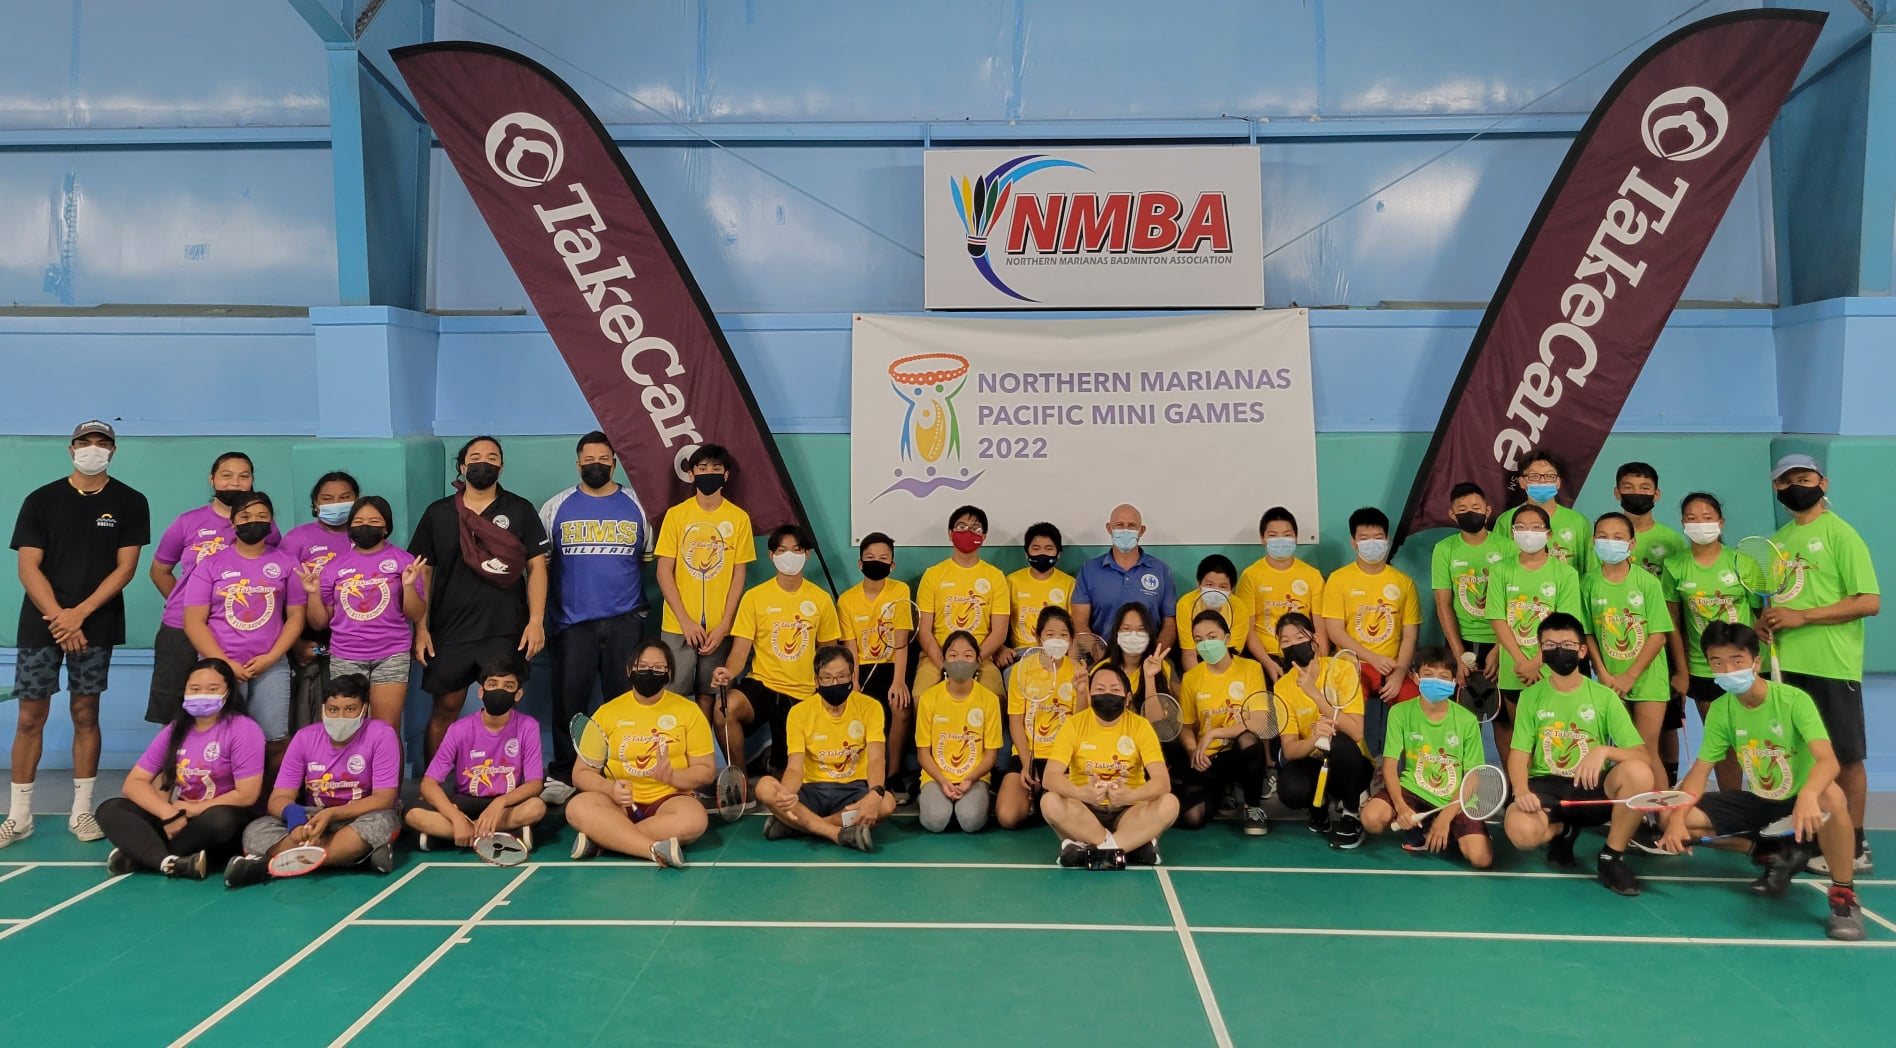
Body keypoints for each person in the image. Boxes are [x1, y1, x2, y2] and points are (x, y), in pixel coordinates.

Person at [1659, 622, 1863, 940]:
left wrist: (1809, 793)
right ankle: (1770, 849)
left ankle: (1843, 896)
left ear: (1756, 662)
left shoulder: (1793, 700)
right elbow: (1699, 773)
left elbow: (1828, 760)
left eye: (1736, 660)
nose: (1727, 670)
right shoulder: (1721, 710)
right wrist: (1675, 820)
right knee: (1673, 816)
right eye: (1717, 662)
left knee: (1832, 797)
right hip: (1760, 800)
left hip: (1801, 801)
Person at [5, 420, 149, 848]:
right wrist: (59, 617)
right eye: (84, 442)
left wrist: (80, 614)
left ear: (113, 451)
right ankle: (19, 817)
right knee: (30, 717)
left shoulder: (130, 501)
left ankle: (82, 810)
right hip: (41, 624)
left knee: (86, 713)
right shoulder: (41, 500)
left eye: (102, 443)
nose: (93, 449)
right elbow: (28, 566)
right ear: (71, 450)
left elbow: (125, 568)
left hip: (96, 623)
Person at [1760, 454, 1880, 875]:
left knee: (1845, 756)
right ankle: (1812, 836)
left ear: (1822, 482)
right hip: (1787, 664)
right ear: (1777, 489)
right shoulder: (1782, 538)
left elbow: (1869, 601)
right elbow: (1786, 597)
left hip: (1831, 665)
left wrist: (1803, 617)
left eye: (1804, 477)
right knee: (1804, 755)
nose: (1796, 485)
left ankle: (1856, 844)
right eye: (1786, 480)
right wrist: (1769, 620)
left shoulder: (1842, 534)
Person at [408, 436, 551, 761]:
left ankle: (501, 783)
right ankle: (435, 787)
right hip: (450, 628)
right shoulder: (439, 513)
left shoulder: (520, 509)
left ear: (501, 466)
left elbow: (536, 567)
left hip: (504, 626)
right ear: (462, 466)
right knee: (445, 707)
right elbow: (424, 573)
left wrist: (536, 621)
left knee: (502, 706)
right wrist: (422, 628)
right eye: (475, 456)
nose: (483, 462)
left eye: (492, 456)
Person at [1502, 613, 1655, 896]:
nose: (1558, 650)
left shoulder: (1604, 697)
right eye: (1549, 645)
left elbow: (1643, 757)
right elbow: (1519, 753)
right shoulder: (1530, 697)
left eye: (1567, 644)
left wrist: (1604, 750)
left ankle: (1611, 857)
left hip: (1590, 788)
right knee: (1520, 832)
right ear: (1541, 651)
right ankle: (1562, 830)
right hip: (1545, 789)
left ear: (1582, 651)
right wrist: (1521, 790)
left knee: (1639, 773)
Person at [538, 431, 651, 804]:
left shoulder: (639, 506)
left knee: (625, 703)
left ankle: (621, 771)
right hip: (572, 624)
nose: (595, 465)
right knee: (570, 703)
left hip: (625, 622)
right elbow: (541, 567)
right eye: (588, 459)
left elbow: (648, 562)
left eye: (603, 459)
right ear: (577, 463)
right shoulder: (556, 507)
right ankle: (565, 773)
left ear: (614, 462)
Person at [225, 673, 402, 886]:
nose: (340, 717)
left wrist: (333, 814)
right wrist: (295, 819)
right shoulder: (305, 737)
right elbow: (279, 797)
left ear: (364, 710)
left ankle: (271, 865)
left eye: (350, 709)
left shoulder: (382, 734)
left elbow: (384, 799)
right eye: (333, 710)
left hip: (359, 814)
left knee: (382, 823)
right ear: (323, 710)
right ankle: (352, 857)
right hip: (312, 818)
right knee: (255, 831)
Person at [96, 658, 261, 878]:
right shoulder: (176, 729)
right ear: (184, 691)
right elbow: (134, 783)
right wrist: (168, 813)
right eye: (195, 688)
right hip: (177, 817)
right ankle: (171, 862)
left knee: (222, 820)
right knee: (110, 809)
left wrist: (192, 810)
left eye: (213, 689)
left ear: (228, 692)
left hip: (217, 818)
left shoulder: (244, 729)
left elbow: (246, 795)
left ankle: (142, 855)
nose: (202, 693)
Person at [147, 451, 280, 725]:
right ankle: (172, 767)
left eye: (243, 476)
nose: (235, 483)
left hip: (236, 630)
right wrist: (188, 606)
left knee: (227, 713)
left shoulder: (265, 527)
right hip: (181, 629)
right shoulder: (187, 522)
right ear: (212, 479)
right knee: (177, 709)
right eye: (226, 475)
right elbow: (159, 570)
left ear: (252, 480)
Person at [180, 492, 306, 760]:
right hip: (220, 664)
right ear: (233, 522)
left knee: (274, 740)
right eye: (245, 516)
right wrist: (223, 662)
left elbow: (296, 617)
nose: (254, 522)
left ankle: (268, 801)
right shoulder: (210, 564)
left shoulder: (287, 563)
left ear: (271, 522)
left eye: (262, 516)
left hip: (271, 665)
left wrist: (271, 658)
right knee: (220, 740)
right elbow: (193, 622)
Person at [567, 642, 712, 867]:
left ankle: (604, 838)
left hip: (670, 800)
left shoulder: (689, 711)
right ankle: (651, 850)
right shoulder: (606, 713)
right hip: (617, 804)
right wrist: (610, 789)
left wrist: (674, 777)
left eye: (657, 668)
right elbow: (581, 773)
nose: (649, 672)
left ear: (669, 673)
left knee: (695, 820)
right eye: (642, 666)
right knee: (577, 807)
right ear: (629, 671)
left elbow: (706, 771)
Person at [714, 524, 843, 775]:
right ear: (772, 556)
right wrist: (727, 673)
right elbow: (740, 653)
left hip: (804, 693)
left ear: (807, 554)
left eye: (796, 550)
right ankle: (737, 779)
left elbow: (828, 655)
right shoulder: (754, 597)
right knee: (724, 710)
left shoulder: (820, 599)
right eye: (782, 550)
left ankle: (774, 761)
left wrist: (825, 693)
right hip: (763, 684)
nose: (789, 556)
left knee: (783, 776)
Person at [1361, 647, 1494, 868]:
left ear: (1454, 682)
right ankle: (1423, 823)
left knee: (1481, 858)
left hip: (1455, 798)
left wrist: (1446, 817)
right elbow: (1390, 766)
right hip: (1414, 790)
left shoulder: (1467, 719)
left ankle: (1440, 827)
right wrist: (1401, 807)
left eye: (1443, 677)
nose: (1436, 681)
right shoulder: (1400, 712)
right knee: (1371, 819)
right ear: (1415, 677)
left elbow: (1473, 777)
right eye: (1428, 674)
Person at [300, 496, 424, 731]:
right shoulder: (333, 567)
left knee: (386, 729)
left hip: (391, 654)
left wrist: (408, 585)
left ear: (386, 527)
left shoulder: (403, 561)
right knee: (346, 729)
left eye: (374, 521)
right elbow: (318, 622)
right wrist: (313, 594)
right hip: (345, 654)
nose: (365, 525)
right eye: (359, 521)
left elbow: (416, 614)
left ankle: (387, 770)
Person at [1041, 665, 1179, 869]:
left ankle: (1091, 851)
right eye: (1099, 689)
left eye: (1115, 690)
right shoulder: (1074, 724)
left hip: (1129, 810)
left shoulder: (1140, 725)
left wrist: (1129, 797)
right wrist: (1081, 793)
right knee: (1049, 801)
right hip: (1085, 809)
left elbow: (1162, 782)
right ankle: (1129, 847)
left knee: (1170, 803)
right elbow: (1050, 777)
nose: (1107, 694)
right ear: (1089, 694)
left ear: (1128, 697)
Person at [754, 646, 891, 851]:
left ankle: (799, 825)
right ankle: (836, 833)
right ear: (816, 681)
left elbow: (876, 758)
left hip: (853, 790)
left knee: (887, 803)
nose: (834, 683)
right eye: (827, 678)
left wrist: (875, 793)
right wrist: (787, 795)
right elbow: (794, 768)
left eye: (842, 676)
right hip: (812, 791)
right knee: (764, 787)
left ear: (852, 676)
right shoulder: (799, 713)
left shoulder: (870, 707)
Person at [407, 655, 546, 854]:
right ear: (481, 691)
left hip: (505, 805)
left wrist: (500, 802)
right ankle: (490, 833)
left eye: (508, 686)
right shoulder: (459, 729)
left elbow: (534, 784)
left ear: (518, 695)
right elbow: (428, 784)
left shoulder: (528, 726)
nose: (499, 690)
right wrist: (456, 818)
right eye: (492, 684)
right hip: (465, 802)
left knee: (536, 807)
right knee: (414, 814)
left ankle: (454, 835)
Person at [654, 444, 753, 719]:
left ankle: (706, 756)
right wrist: (685, 620)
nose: (709, 473)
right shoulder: (676, 515)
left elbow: (739, 575)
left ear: (726, 475)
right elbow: (663, 571)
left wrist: (725, 625)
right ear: (691, 473)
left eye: (716, 468)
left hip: (718, 629)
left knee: (710, 694)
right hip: (678, 625)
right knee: (673, 693)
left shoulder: (739, 518)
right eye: (702, 468)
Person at [1662, 492, 1753, 790]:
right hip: (1703, 669)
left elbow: (1761, 611)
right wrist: (1682, 670)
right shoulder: (1675, 566)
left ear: (1721, 522)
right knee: (1723, 742)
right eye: (1691, 518)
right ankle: (1733, 801)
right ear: (1682, 524)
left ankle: (1767, 804)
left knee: (1754, 740)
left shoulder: (1742, 562)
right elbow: (1672, 624)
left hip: (1745, 668)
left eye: (1707, 517)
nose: (1699, 523)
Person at [1483, 503, 1583, 761]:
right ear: (1513, 533)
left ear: (1549, 534)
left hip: (1554, 667)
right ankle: (1523, 793)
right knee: (1522, 737)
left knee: (1555, 734)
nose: (1528, 533)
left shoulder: (1565, 573)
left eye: (1536, 527)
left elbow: (1567, 624)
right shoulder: (1501, 571)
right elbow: (1497, 618)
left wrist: (1538, 661)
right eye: (1521, 528)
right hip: (1514, 670)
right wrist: (1522, 662)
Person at [1581, 512, 1674, 782]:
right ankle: (1632, 810)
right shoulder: (1587, 583)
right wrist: (1605, 674)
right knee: (1622, 750)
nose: (1610, 542)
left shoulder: (1648, 583)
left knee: (1647, 751)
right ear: (1593, 541)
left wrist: (1629, 676)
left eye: (1618, 537)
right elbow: (1587, 634)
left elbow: (1658, 635)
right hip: (1608, 680)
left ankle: (1662, 816)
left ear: (1631, 544)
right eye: (1603, 537)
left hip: (1648, 681)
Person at [1272, 613, 1373, 848]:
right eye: (1285, 641)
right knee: (1291, 790)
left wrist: (1316, 696)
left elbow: (1356, 732)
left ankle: (1351, 815)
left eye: (1299, 636)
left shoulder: (1342, 670)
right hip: (1314, 762)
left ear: (1315, 638)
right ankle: (1318, 806)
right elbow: (1290, 751)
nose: (1293, 644)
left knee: (1340, 743)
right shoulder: (1282, 687)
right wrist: (1315, 738)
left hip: (1350, 763)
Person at [1176, 610, 1269, 835]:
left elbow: (1259, 720)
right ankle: (1221, 793)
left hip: (1241, 754)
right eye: (1199, 640)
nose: (1206, 644)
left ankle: (1253, 807)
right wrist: (1192, 751)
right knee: (1192, 818)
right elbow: (1186, 727)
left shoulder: (1251, 668)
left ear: (1227, 638)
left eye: (1212, 637)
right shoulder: (1191, 678)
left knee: (1249, 740)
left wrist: (1214, 733)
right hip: (1209, 758)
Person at [1322, 508, 1422, 719]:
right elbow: (1335, 632)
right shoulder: (1338, 579)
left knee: (1418, 710)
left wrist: (1401, 672)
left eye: (1378, 538)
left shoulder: (1404, 582)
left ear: (1387, 540)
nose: (1372, 543)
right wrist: (1372, 658)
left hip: (1394, 667)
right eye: (1364, 539)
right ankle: (1359, 753)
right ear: (1353, 543)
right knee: (1347, 714)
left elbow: (1411, 635)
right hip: (1351, 665)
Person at [837, 532, 914, 796]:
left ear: (891, 566)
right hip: (861, 668)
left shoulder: (900, 591)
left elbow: (901, 642)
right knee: (859, 712)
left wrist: (899, 681)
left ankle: (892, 775)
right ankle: (863, 775)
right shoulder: (846, 600)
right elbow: (850, 647)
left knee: (900, 708)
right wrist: (853, 681)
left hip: (893, 666)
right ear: (860, 564)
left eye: (883, 558)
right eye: (870, 557)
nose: (876, 562)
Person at [997, 607, 1087, 829]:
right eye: (1050, 634)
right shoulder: (1022, 670)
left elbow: (1082, 722)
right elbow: (1016, 720)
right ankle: (1037, 795)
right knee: (1007, 817)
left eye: (1063, 634)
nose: (1057, 639)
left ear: (1072, 639)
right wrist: (1027, 762)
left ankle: (1045, 796)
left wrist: (1083, 690)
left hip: (1064, 758)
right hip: (1028, 753)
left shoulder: (1078, 671)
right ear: (1038, 636)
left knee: (1071, 817)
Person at [914, 505, 1010, 695]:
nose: (967, 532)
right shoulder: (932, 575)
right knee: (920, 698)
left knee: (996, 699)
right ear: (950, 534)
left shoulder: (995, 577)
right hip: (935, 658)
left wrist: (973, 661)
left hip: (982, 659)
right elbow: (923, 630)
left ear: (984, 537)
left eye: (975, 528)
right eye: (961, 526)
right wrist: (943, 663)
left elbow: (999, 632)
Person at [913, 631, 1002, 833]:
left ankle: (975, 799)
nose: (960, 660)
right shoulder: (929, 698)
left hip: (975, 777)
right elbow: (923, 753)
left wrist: (970, 778)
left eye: (968, 655)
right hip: (936, 777)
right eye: (953, 655)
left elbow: (991, 754)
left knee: (971, 822)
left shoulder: (989, 700)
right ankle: (927, 797)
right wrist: (942, 780)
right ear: (943, 661)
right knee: (935, 822)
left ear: (978, 661)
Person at [1430, 481, 1507, 705]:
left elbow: (1513, 605)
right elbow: (1443, 603)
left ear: (1488, 511)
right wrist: (1458, 654)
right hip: (1462, 641)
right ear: (1452, 515)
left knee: (1503, 720)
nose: (1470, 513)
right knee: (1461, 716)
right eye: (1462, 510)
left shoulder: (1508, 547)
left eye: (1476, 507)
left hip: (1502, 642)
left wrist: (1500, 649)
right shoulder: (1444, 549)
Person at [1237, 506, 1325, 683]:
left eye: (1287, 534)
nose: (1280, 540)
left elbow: (1321, 628)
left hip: (1305, 653)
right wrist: (1268, 663)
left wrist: (1318, 662)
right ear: (1263, 539)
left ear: (1296, 538)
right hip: (1265, 656)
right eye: (1273, 535)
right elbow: (1247, 630)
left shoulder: (1312, 575)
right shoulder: (1250, 576)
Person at [1072, 504, 1177, 648]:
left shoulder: (1161, 571)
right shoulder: (1089, 570)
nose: (1125, 530)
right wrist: (1102, 660)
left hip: (1150, 659)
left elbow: (1169, 624)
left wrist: (1154, 658)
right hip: (1101, 658)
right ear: (1109, 528)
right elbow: (1079, 623)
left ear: (1142, 531)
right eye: (1119, 525)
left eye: (1132, 526)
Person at [1494, 449, 1592, 574]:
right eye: (1534, 476)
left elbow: (1588, 571)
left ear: (1558, 482)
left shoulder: (1578, 522)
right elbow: (1498, 568)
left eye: (1549, 476)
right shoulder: (1506, 520)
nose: (1542, 481)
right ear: (1522, 482)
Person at [1007, 522, 1075, 654]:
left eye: (1049, 549)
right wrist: (1002, 649)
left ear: (1058, 553)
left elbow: (1074, 627)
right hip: (1022, 652)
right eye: (1036, 549)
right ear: (1027, 553)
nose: (1042, 553)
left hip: (1058, 651)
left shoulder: (1070, 584)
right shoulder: (1012, 581)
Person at [1177, 555, 1254, 672]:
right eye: (1209, 585)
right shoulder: (1185, 604)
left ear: (1231, 589)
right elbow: (1189, 655)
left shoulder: (1239, 608)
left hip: (1227, 660)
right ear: (1199, 584)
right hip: (1197, 660)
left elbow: (1232, 653)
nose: (1215, 591)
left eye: (1223, 587)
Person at [1614, 462, 1684, 578]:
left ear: (1656, 494)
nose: (1636, 492)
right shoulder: (1606, 540)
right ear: (1617, 493)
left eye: (1645, 488)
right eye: (1628, 487)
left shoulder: (1673, 541)